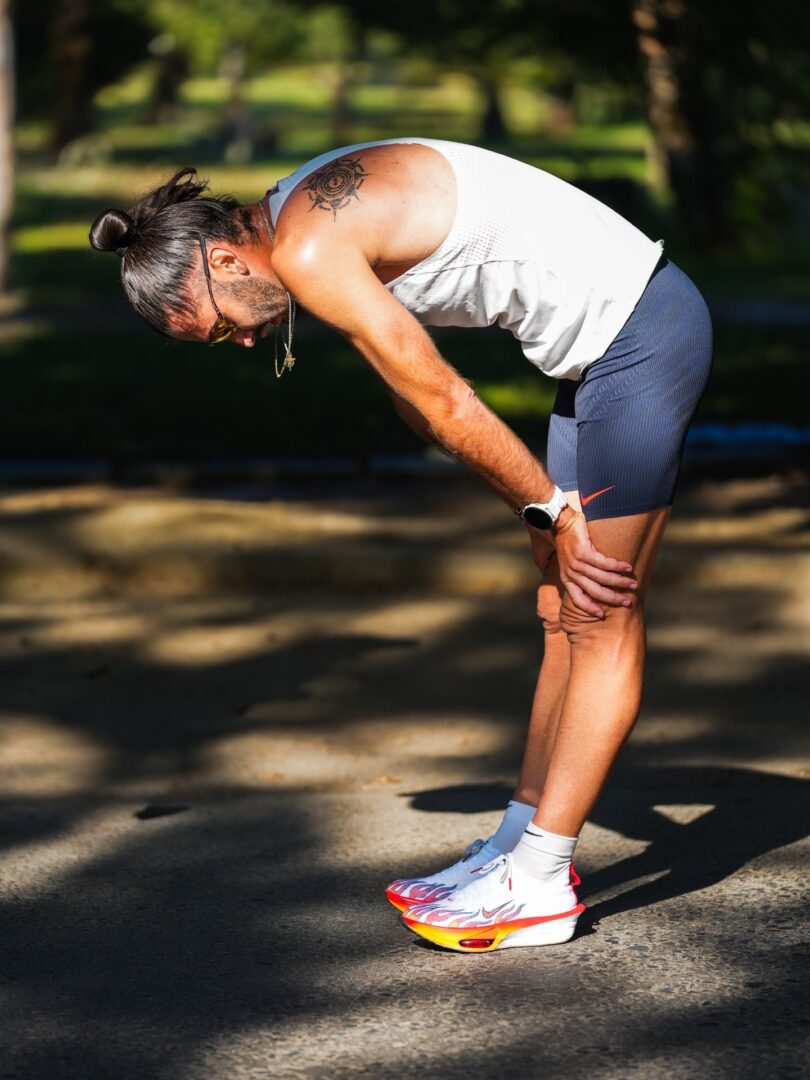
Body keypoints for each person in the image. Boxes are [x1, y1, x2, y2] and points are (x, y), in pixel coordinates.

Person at [89, 136, 713, 952]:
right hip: (599, 359)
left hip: (643, 338)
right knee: (562, 606)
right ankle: (516, 843)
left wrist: (551, 513)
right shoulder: (293, 217)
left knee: (599, 613)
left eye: (217, 332)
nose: (240, 345)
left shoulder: (309, 247)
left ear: (222, 260)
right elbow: (412, 393)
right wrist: (541, 510)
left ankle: (543, 881)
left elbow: (451, 402)